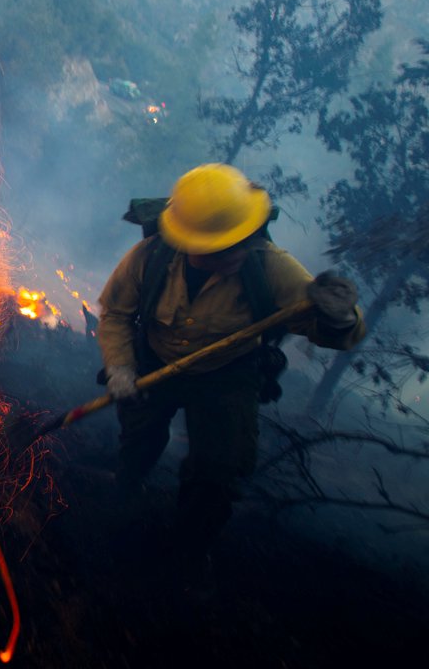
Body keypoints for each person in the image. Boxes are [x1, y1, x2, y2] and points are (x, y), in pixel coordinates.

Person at [96, 164, 365, 578]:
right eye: (222, 248)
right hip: (155, 360)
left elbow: (327, 329)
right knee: (140, 439)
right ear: (186, 243)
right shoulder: (151, 259)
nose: (237, 252)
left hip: (226, 376)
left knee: (217, 471)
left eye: (243, 240)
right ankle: (125, 494)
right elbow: (115, 313)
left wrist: (341, 319)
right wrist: (120, 368)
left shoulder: (271, 267)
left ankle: (188, 549)